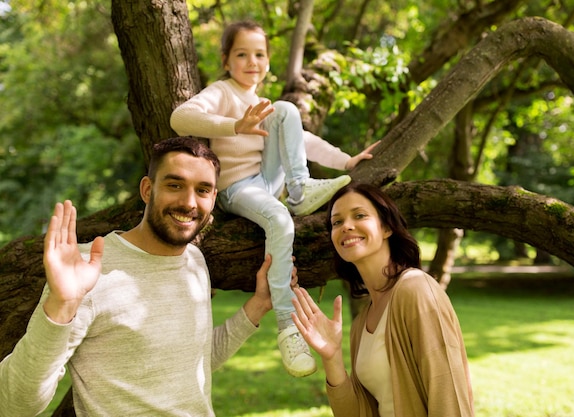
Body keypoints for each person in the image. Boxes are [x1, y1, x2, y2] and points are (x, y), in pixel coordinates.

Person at [0, 136, 286, 417]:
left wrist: (259, 304)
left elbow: (192, 363)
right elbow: (15, 406)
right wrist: (60, 305)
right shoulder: (86, 272)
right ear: (148, 189)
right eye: (175, 185)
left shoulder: (195, 262)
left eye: (202, 190)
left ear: (213, 197)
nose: (189, 202)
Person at [170, 19, 379, 378]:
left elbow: (304, 142)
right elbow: (180, 117)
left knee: (286, 111)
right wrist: (235, 125)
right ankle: (287, 327)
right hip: (237, 188)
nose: (252, 62)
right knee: (280, 220)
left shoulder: (263, 102)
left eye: (259, 54)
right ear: (226, 60)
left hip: (269, 181)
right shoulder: (223, 93)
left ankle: (300, 188)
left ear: (268, 60)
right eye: (242, 54)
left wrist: (346, 160)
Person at [291, 182, 474, 417]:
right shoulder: (361, 324)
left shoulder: (416, 289)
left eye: (359, 215)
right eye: (337, 222)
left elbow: (449, 394)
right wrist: (332, 357)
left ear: (387, 227)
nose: (346, 226)